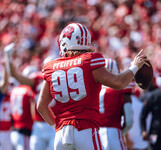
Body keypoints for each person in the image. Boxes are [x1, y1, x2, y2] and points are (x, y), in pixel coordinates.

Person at [37, 22, 148, 150]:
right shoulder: (89, 60)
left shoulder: (50, 67)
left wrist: (55, 127)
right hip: (86, 131)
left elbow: (41, 106)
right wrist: (134, 67)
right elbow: (118, 83)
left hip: (61, 135)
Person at [4, 46, 56, 150]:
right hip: (38, 125)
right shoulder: (37, 79)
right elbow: (15, 75)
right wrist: (8, 57)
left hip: (54, 124)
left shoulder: (62, 79)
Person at [98, 58, 134, 150]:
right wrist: (122, 131)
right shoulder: (121, 91)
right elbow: (129, 121)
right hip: (114, 132)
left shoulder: (93, 91)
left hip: (96, 135)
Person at [10, 83, 35, 150]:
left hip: (14, 128)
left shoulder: (14, 89)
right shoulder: (28, 90)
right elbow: (33, 109)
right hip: (25, 131)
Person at [0, 60, 12, 150]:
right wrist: (6, 68)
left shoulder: (12, 94)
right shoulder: (2, 94)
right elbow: (4, 85)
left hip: (9, 131)